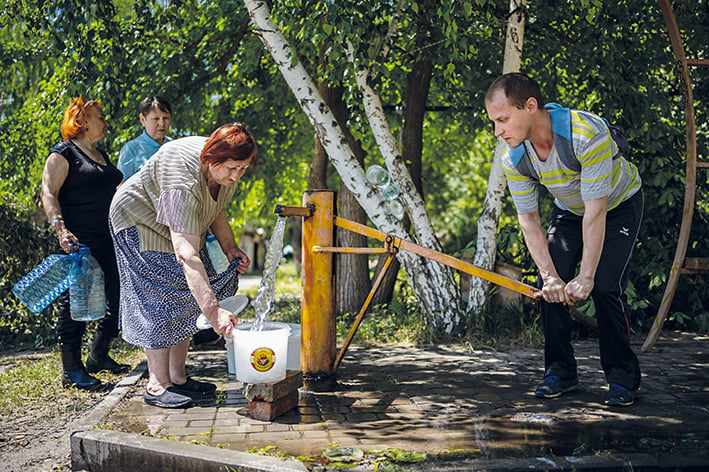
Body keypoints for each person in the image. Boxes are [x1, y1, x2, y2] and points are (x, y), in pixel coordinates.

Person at [485, 73, 643, 407]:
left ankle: (622, 377)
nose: (498, 131)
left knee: (603, 285)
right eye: (494, 122)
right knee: (550, 290)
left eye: (503, 120)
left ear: (530, 107)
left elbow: (596, 212)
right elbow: (529, 219)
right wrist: (550, 276)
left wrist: (585, 276)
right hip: (570, 212)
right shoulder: (514, 157)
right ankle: (560, 371)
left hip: (616, 207)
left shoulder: (585, 134)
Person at [109, 123, 254, 409]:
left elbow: (216, 208)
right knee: (160, 298)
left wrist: (229, 246)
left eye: (243, 169)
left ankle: (177, 377)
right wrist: (214, 314)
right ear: (212, 159)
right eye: (232, 168)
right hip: (139, 223)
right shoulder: (182, 179)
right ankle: (157, 384)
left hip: (176, 228)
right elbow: (186, 255)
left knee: (189, 296)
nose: (237, 176)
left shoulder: (222, 171)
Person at [40, 97, 130, 391]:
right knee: (74, 307)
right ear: (82, 120)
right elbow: (49, 193)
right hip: (80, 245)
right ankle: (72, 370)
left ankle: (98, 356)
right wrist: (60, 229)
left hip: (111, 240)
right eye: (100, 116)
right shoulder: (63, 154)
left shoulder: (101, 154)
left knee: (117, 302)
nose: (105, 121)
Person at [117, 95, 172, 180]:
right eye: (156, 119)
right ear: (142, 119)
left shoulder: (174, 146)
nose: (162, 123)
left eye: (165, 118)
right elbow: (122, 188)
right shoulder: (131, 150)